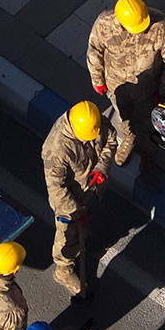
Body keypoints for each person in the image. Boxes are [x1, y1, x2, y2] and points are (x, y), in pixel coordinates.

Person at [86, 0, 165, 186]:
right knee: (124, 118)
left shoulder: (161, 27)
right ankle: (129, 138)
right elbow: (94, 50)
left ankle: (148, 159)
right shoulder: (104, 23)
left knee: (148, 126)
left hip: (148, 91)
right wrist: (97, 79)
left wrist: (162, 90)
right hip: (117, 87)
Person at [41, 101, 117, 298]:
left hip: (90, 188)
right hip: (68, 201)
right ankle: (63, 270)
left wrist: (102, 167)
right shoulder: (56, 149)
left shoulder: (92, 120)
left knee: (87, 219)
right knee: (67, 235)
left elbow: (111, 139)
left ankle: (84, 237)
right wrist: (74, 213)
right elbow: (56, 189)